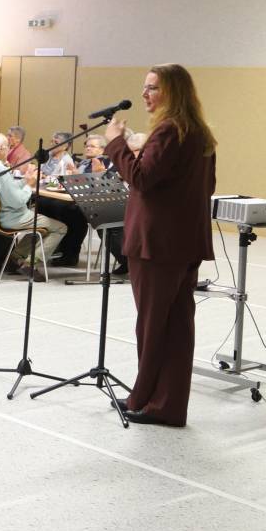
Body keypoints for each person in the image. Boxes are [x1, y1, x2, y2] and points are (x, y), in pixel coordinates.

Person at [105, 65, 216, 427]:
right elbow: (207, 186)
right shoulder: (199, 133)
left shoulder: (168, 131)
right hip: (184, 243)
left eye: (153, 88)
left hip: (158, 245)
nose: (145, 94)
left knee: (153, 326)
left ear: (173, 92)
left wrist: (116, 144)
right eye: (145, 87)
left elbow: (141, 178)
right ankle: (166, 403)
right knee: (176, 326)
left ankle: (146, 401)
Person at [0, 132, 67, 278]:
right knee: (60, 228)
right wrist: (29, 185)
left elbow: (7, 188)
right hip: (11, 217)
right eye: (7, 146)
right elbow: (17, 201)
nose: (8, 149)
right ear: (0, 148)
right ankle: (30, 264)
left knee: (42, 226)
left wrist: (25, 180)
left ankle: (14, 258)